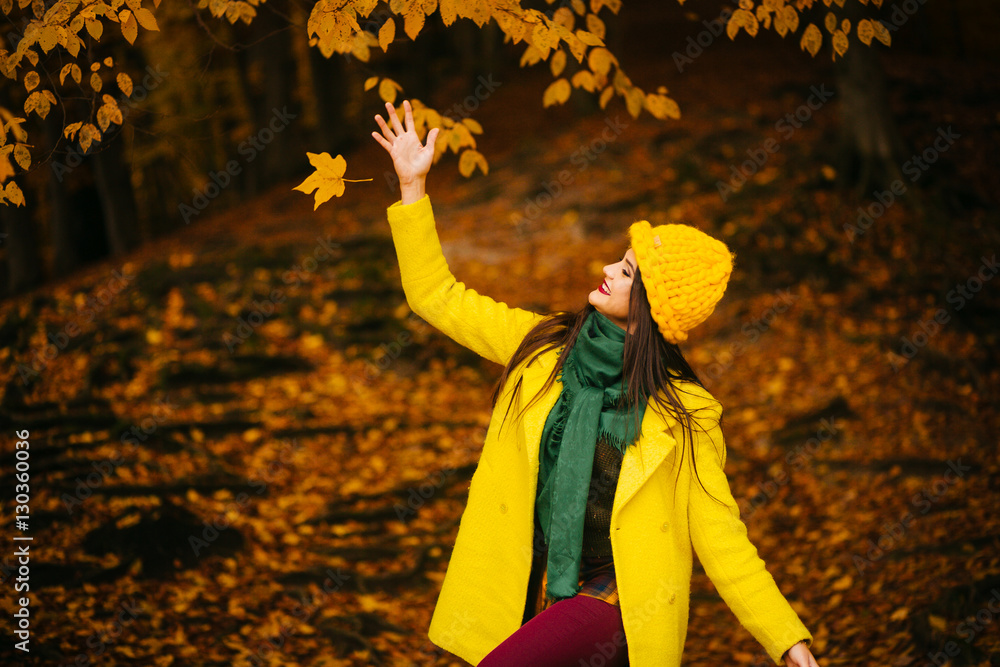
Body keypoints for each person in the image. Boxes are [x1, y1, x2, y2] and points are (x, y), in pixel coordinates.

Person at [372, 99, 820, 667]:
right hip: (534, 592)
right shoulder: (544, 348)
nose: (607, 269)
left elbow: (720, 534)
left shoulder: (684, 415)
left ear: (652, 309)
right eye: (619, 259)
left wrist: (788, 640)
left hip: (617, 603)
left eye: (627, 271)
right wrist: (412, 188)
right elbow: (437, 297)